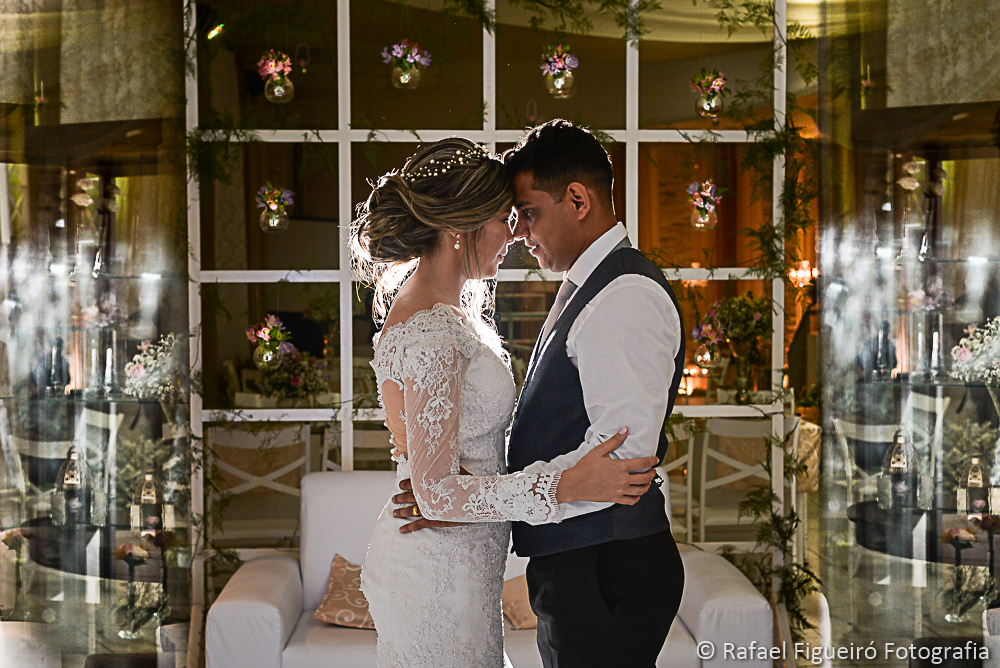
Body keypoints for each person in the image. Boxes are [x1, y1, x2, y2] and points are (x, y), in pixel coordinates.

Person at [353, 136, 662, 668]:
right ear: (461, 226)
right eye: (504, 218)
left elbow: (450, 475)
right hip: (437, 570)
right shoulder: (431, 329)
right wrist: (566, 484)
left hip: (464, 560)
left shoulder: (450, 313)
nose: (515, 233)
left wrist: (451, 492)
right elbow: (436, 494)